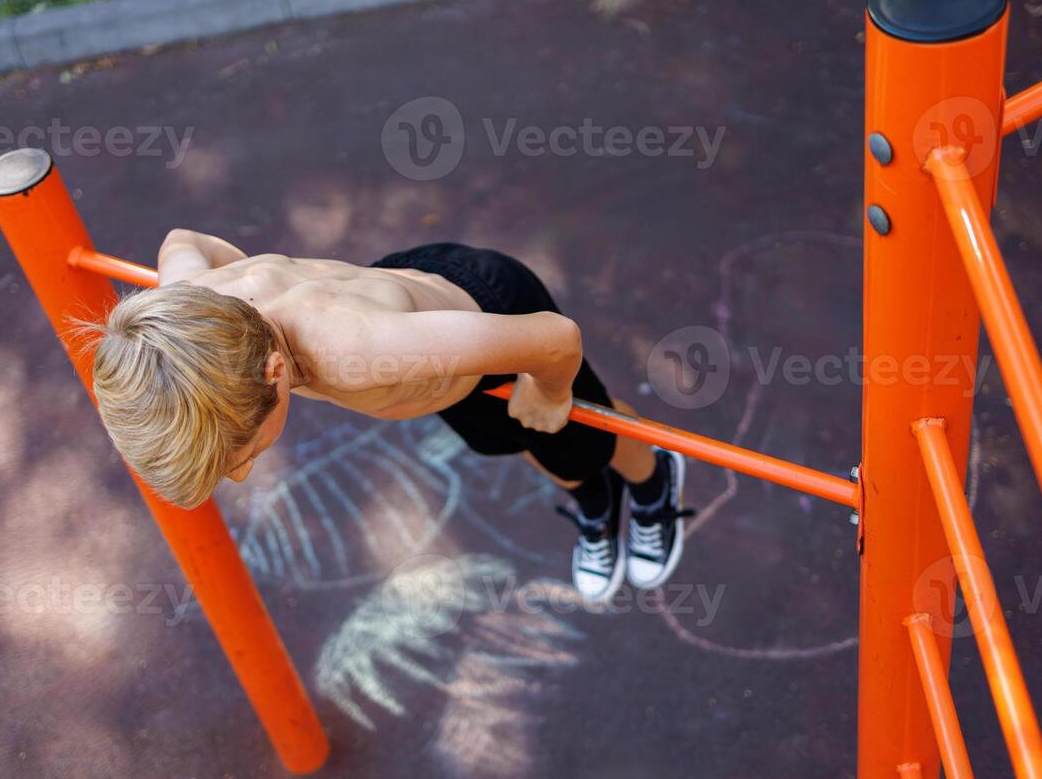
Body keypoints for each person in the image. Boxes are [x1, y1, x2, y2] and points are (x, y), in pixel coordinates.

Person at [84, 230, 690, 602]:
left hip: (493, 319)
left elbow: (555, 338)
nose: (240, 475)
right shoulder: (199, 308)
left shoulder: (358, 354)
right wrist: (193, 323)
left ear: (274, 371)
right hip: (431, 343)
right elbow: (182, 240)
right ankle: (593, 500)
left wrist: (550, 392)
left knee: (574, 442)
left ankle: (652, 480)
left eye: (242, 457)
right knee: (515, 442)